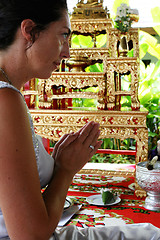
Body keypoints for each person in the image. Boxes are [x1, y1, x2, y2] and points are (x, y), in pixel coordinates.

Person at [0, 1, 159, 240]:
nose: (68, 52)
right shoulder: (5, 101)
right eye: (63, 36)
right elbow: (29, 236)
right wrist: (64, 170)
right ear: (30, 31)